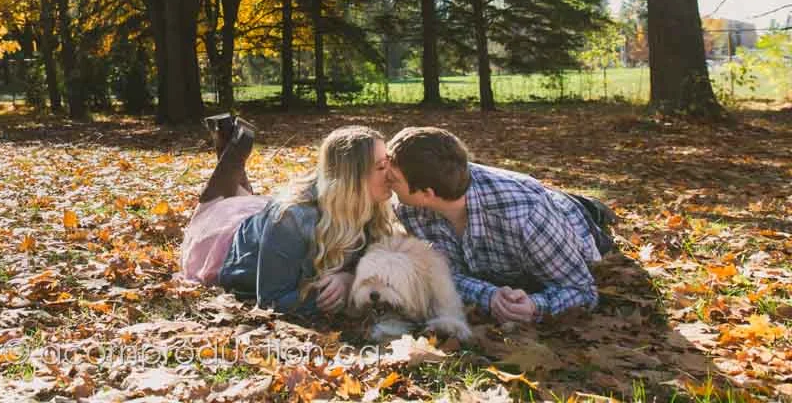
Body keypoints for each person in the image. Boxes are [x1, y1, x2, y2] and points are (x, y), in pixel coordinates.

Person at [384, 126, 616, 323]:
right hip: (514, 204)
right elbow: (441, 273)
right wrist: (489, 295)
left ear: (427, 193)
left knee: (584, 210)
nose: (387, 182)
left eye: (393, 179)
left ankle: (593, 207)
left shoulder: (526, 215)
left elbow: (583, 291)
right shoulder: (409, 207)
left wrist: (536, 306)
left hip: (570, 217)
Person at [179, 117, 398, 315]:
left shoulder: (370, 205)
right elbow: (271, 300)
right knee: (216, 203)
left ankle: (230, 148)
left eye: (389, 165)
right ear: (351, 178)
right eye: (381, 168)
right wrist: (338, 296)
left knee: (243, 198)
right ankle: (230, 150)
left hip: (263, 221)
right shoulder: (291, 219)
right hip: (225, 246)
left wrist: (349, 279)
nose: (391, 175)